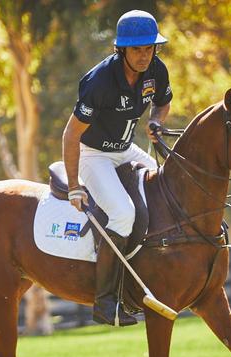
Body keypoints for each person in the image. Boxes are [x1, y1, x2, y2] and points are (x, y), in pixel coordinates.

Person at [62, 9, 172, 326]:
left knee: (166, 187)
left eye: (149, 48)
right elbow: (71, 135)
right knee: (123, 213)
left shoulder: (157, 70)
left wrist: (155, 120)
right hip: (93, 154)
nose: (143, 55)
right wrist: (74, 185)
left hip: (125, 150)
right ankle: (106, 301)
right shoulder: (99, 82)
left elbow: (163, 101)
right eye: (136, 49)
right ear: (121, 49)